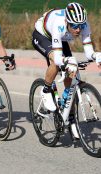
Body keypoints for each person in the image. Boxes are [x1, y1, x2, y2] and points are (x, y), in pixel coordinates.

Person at [32, 2, 101, 138]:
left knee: (72, 74)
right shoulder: (59, 24)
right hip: (43, 35)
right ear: (67, 21)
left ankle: (70, 118)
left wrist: (96, 55)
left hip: (61, 38)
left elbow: (88, 51)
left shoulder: (84, 25)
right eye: (74, 26)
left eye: (80, 26)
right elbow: (58, 58)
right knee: (57, 62)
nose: (78, 30)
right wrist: (65, 60)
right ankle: (45, 90)